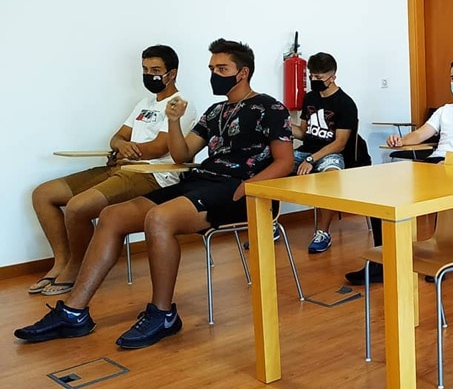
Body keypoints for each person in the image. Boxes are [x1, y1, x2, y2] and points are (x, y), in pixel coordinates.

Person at [15, 38, 295, 348]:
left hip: (240, 189)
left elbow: (284, 161)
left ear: (242, 73)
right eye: (212, 68)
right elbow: (182, 155)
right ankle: (73, 312)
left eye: (222, 69)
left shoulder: (269, 107)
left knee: (159, 218)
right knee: (112, 216)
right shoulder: (215, 111)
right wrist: (173, 121)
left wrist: (245, 188)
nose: (214, 74)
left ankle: (163, 314)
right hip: (202, 180)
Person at [27, 45, 196, 296]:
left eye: (155, 70)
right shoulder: (144, 103)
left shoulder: (180, 104)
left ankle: (76, 268)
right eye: (145, 69)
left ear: (172, 74)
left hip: (151, 175)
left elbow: (159, 148)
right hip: (121, 167)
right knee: (43, 194)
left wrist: (125, 149)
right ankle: (61, 262)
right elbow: (116, 138)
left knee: (77, 207)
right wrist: (121, 146)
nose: (149, 75)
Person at [292, 52, 359, 254]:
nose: (314, 80)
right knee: (272, 167)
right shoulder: (309, 98)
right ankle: (271, 224)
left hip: (330, 154)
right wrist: (284, 125)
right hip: (305, 151)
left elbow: (339, 143)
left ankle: (323, 232)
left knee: (330, 178)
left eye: (319, 77)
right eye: (312, 76)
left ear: (333, 77)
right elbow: (303, 132)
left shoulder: (345, 103)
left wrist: (311, 159)